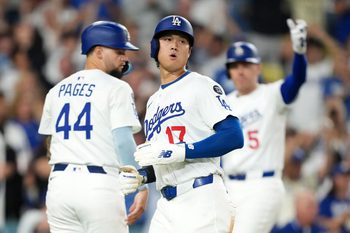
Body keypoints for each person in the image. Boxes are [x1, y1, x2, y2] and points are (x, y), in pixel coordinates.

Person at [118, 15, 244, 233]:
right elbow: (164, 158)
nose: (175, 45)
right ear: (155, 47)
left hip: (201, 196)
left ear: (189, 51)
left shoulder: (200, 85)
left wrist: (181, 151)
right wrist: (143, 176)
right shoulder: (153, 102)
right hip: (166, 206)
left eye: (182, 41)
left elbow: (234, 135)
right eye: (167, 39)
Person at [38, 21, 148, 233]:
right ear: (98, 51)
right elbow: (124, 141)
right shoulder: (117, 87)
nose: (125, 57)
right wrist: (141, 185)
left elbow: (50, 142)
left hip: (60, 186)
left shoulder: (56, 90)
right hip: (99, 186)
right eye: (119, 51)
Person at [222, 19, 308, 233]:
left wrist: (299, 53)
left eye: (246, 65)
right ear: (229, 71)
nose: (240, 71)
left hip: (263, 184)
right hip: (228, 187)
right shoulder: (223, 103)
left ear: (258, 67)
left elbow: (296, 80)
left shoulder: (271, 94)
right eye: (235, 66)